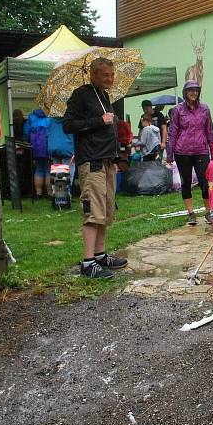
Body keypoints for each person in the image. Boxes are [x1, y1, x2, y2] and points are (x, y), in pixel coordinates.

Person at [62, 57, 128, 279]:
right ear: (93, 75)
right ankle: (88, 262)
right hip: (92, 161)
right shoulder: (81, 94)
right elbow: (68, 125)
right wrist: (100, 120)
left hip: (107, 160)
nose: (109, 79)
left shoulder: (104, 96)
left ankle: (100, 255)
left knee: (106, 210)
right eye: (105, 75)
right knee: (93, 212)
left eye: (111, 75)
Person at [167, 80, 213, 225]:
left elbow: (210, 132)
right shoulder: (178, 110)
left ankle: (208, 211)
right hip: (182, 151)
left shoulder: (205, 109)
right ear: (185, 92)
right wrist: (169, 153)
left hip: (201, 150)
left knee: (205, 181)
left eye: (196, 90)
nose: (193, 93)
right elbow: (173, 132)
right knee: (186, 182)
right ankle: (191, 213)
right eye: (190, 90)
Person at [23, 107, 52, 198]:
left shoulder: (32, 116)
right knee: (48, 169)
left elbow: (26, 131)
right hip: (48, 145)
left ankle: (38, 193)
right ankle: (49, 193)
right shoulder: (51, 117)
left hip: (36, 147)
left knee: (39, 168)